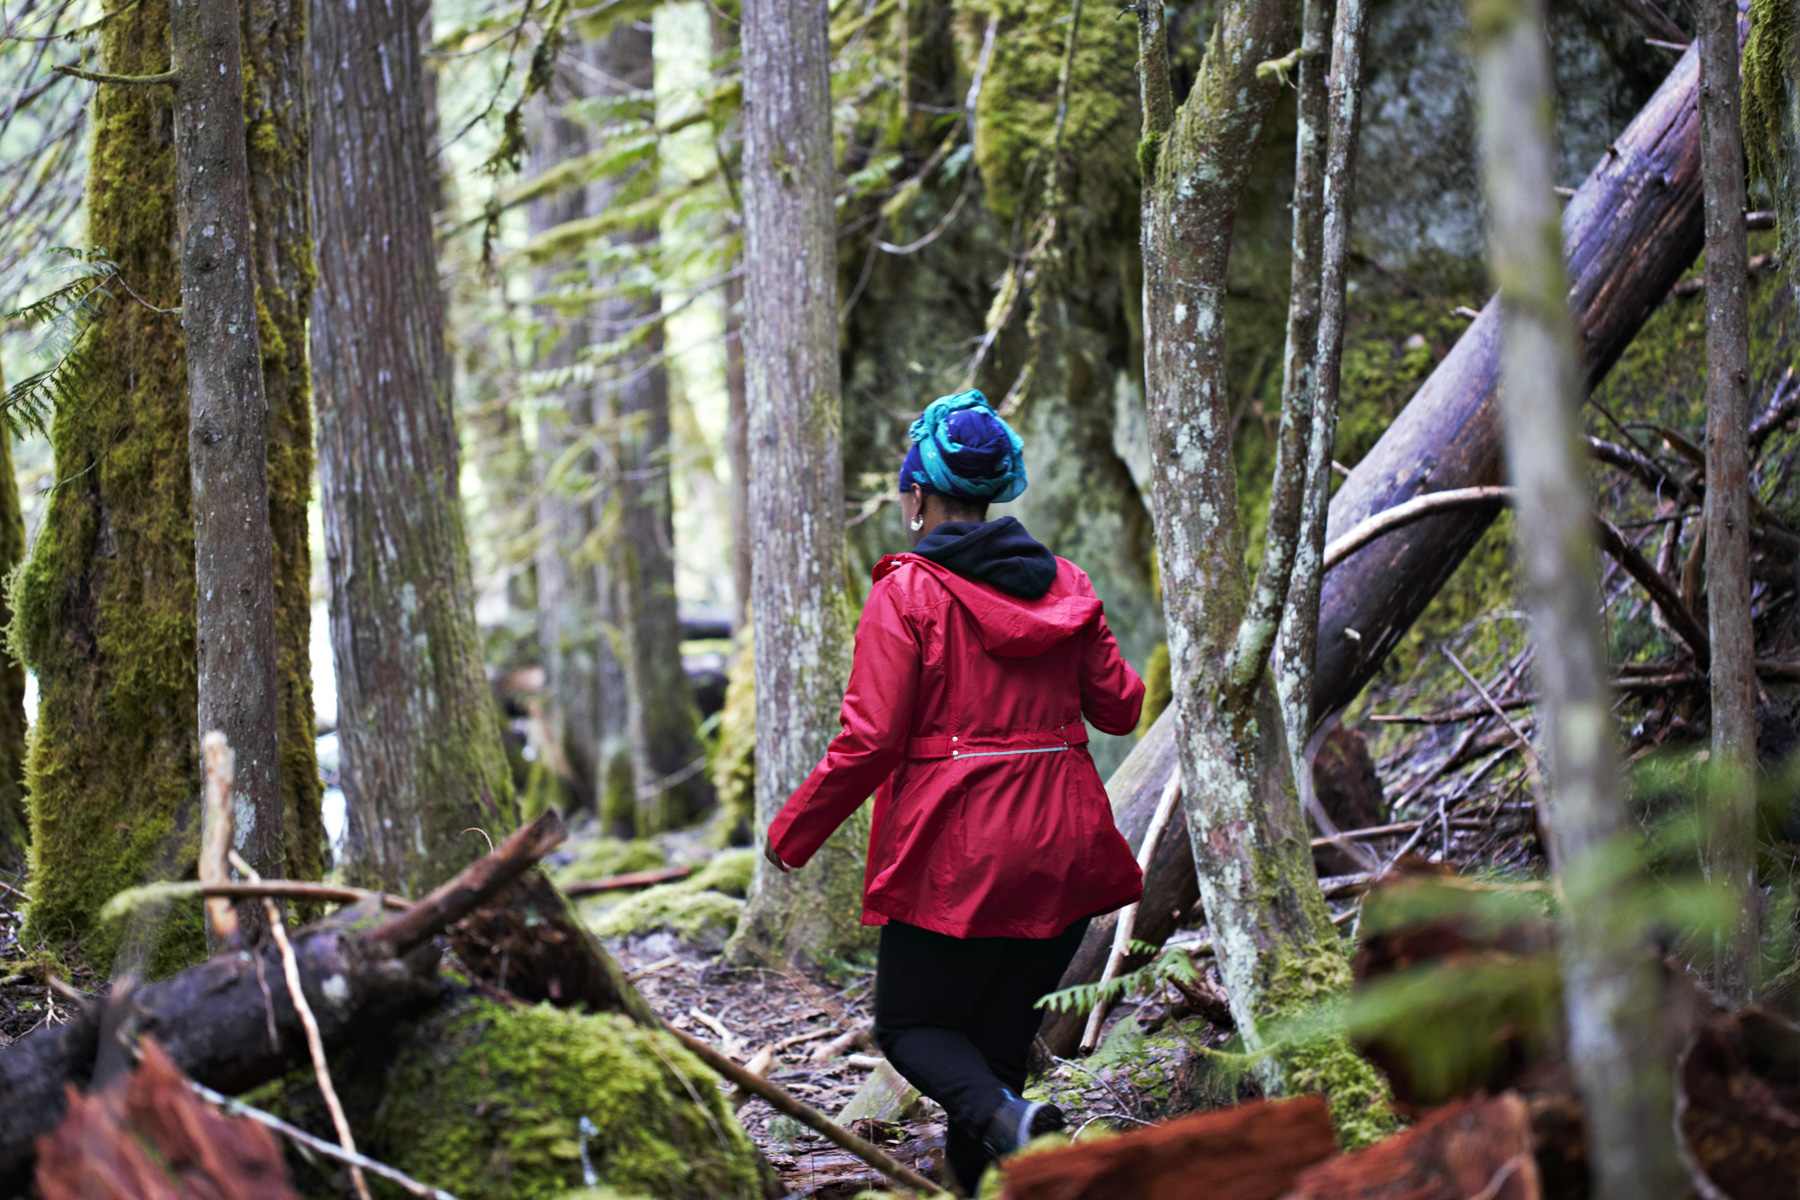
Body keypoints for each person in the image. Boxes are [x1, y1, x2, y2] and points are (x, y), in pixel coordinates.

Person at [764, 389, 1146, 1194]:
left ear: (918, 495)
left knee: (911, 1026)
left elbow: (869, 740)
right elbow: (1121, 705)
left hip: (962, 854)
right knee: (999, 1046)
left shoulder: (907, 592)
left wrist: (792, 833)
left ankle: (1009, 1126)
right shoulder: (1067, 586)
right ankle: (995, 1165)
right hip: (1068, 847)